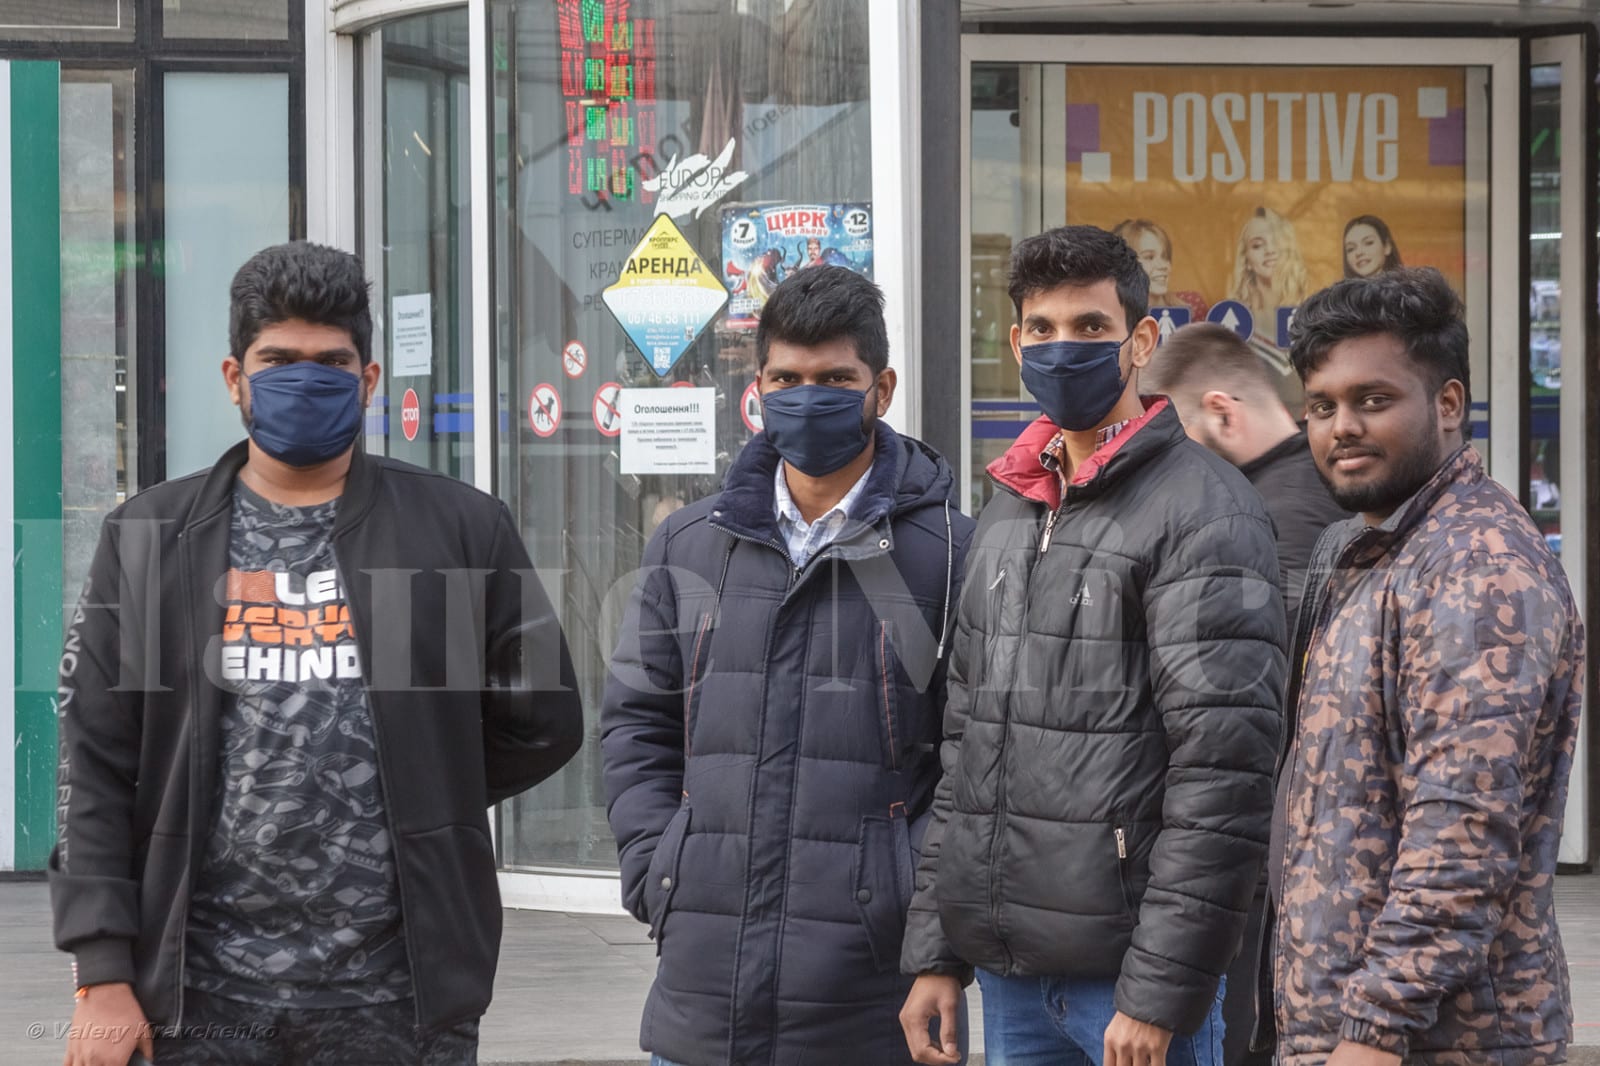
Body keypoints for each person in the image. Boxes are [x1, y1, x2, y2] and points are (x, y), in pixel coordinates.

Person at [50, 242, 583, 1066]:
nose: (306, 380)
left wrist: (425, 781)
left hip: (401, 995)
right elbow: (94, 760)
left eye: (331, 362)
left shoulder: (460, 527)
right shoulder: (149, 536)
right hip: (196, 991)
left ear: (368, 381)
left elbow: (544, 717)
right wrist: (101, 975)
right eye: (279, 361)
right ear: (235, 377)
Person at [899, 225, 1287, 1066]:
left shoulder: (1205, 511)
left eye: (1089, 327)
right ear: (1015, 344)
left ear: (1140, 341)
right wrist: (936, 949)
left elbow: (1224, 773)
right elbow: (965, 748)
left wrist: (1159, 992)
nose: (1061, 348)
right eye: (1041, 329)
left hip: (1127, 990)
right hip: (1009, 978)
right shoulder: (1009, 510)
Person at [603, 265, 975, 1066]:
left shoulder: (951, 554)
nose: (809, 398)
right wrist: (660, 865)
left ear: (882, 388)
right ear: (759, 388)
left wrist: (930, 928)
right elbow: (637, 724)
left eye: (835, 379)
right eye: (788, 379)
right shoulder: (690, 544)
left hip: (871, 998)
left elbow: (974, 763)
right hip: (702, 998)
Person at [1273, 267, 1584, 1066]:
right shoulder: (1372, 548)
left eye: (1372, 400)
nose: (1342, 427)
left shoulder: (1475, 567)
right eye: (1322, 406)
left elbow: (1461, 837)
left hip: (1434, 1041)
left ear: (1448, 404)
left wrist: (1373, 1030)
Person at [1141, 322, 1350, 1066]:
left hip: (1266, 874)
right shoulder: (1322, 496)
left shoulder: (1266, 519)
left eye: (1171, 440)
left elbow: (1247, 716)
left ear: (1221, 413)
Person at [1143, 322, 1350, 622]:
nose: (1171, 467)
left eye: (1177, 440)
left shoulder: (1265, 526)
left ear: (1223, 415)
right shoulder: (1330, 477)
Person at [1229, 207, 1312, 412]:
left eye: (1277, 242)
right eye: (1257, 245)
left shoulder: (1311, 314)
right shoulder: (1237, 321)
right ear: (1247, 260)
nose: (1269, 250)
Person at [1112, 218, 1208, 321]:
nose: (1164, 265)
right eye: (1149, 257)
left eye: (1165, 257)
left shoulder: (1193, 306)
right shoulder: (1109, 315)